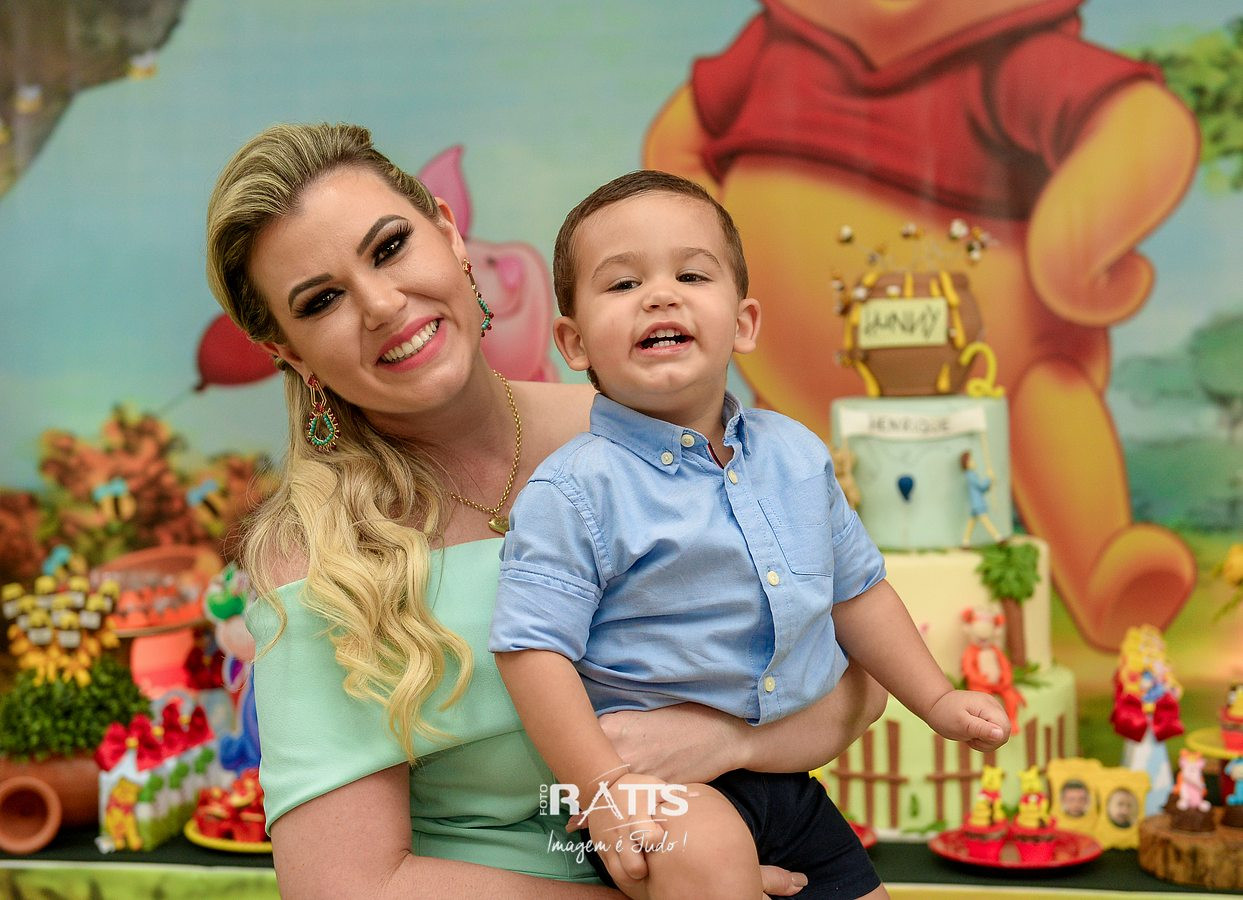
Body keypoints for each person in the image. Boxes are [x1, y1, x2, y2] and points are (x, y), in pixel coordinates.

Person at [204, 123, 889, 897]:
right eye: (322, 299)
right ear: (291, 353)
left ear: (449, 234)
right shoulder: (315, 560)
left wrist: (730, 743)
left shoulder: (653, 433)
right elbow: (345, 887)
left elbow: (857, 681)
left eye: (390, 247)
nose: (381, 304)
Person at [490, 171, 1011, 899]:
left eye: (691, 275)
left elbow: (858, 593)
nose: (660, 296)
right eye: (623, 283)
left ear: (743, 323)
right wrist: (601, 787)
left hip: (785, 778)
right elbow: (531, 650)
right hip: (654, 789)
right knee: (708, 864)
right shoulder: (576, 488)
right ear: (574, 343)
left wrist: (936, 700)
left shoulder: (795, 456)